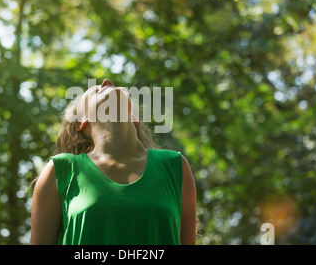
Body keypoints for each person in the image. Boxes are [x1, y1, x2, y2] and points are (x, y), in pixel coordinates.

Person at [30, 79, 197, 245]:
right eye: (95, 89)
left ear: (134, 117)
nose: (106, 81)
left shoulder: (174, 166)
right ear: (81, 121)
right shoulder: (60, 171)